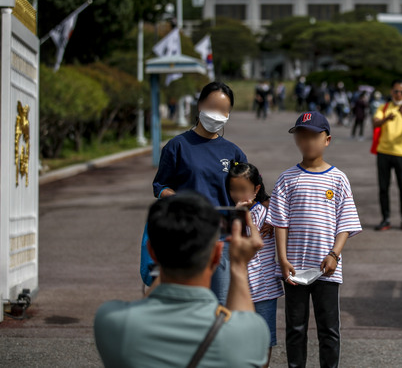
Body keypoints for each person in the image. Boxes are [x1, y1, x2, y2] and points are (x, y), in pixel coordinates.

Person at [95, 193, 269, 368]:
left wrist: (164, 255)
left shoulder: (112, 321)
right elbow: (242, 320)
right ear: (217, 254)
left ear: (152, 252)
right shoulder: (251, 331)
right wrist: (238, 266)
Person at [267, 112, 362, 368]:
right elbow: (280, 223)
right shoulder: (287, 179)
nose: (307, 141)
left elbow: (346, 222)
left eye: (313, 136)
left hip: (326, 267)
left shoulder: (338, 178)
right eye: (301, 135)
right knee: (295, 328)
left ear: (327, 139)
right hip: (295, 268)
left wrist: (334, 254)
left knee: (328, 328)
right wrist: (283, 259)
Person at [146, 82, 247, 295]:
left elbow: (248, 188)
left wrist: (247, 204)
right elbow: (159, 186)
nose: (217, 114)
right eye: (212, 107)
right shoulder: (177, 146)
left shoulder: (234, 153)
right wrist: (173, 197)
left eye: (223, 109)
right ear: (199, 105)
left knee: (220, 301)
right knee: (184, 298)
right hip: (185, 234)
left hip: (223, 238)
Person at [224, 162, 283, 368]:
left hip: (263, 288)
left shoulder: (261, 213)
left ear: (256, 189)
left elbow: (252, 241)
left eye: (243, 190)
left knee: (264, 337)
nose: (238, 195)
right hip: (243, 287)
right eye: (233, 190)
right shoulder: (235, 213)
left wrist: (242, 215)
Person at [372, 79, 402, 231]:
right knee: (383, 187)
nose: (399, 94)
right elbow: (375, 122)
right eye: (396, 91)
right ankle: (385, 218)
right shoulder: (384, 107)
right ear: (392, 92)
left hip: (401, 153)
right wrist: (386, 118)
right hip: (383, 152)